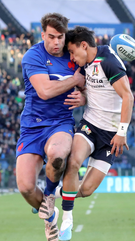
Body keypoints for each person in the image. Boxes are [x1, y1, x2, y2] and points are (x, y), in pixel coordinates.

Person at [57, 26, 134, 240]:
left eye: (72, 52)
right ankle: (67, 221)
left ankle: (48, 195)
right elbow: (87, 89)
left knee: (86, 190)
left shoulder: (108, 62)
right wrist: (83, 98)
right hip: (90, 125)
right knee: (73, 162)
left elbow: (128, 97)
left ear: (84, 45)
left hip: (111, 136)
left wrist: (121, 132)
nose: (71, 58)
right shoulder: (85, 64)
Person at [17, 13, 84, 241]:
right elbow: (44, 92)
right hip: (32, 127)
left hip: (60, 123)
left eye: (60, 37)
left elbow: (93, 84)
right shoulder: (32, 56)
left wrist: (84, 98)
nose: (56, 43)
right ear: (43, 34)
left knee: (57, 155)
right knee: (25, 187)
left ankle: (48, 197)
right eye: (51, 37)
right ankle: (50, 216)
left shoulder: (74, 54)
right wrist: (75, 81)